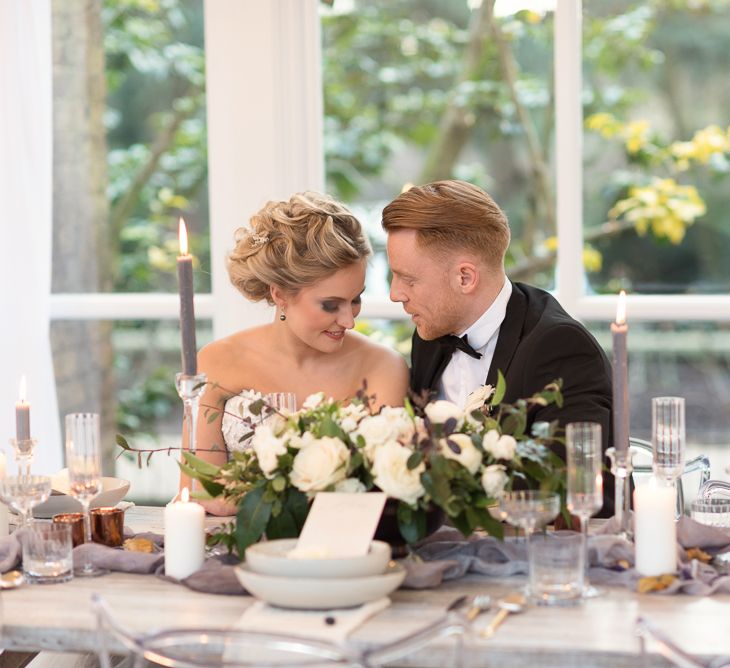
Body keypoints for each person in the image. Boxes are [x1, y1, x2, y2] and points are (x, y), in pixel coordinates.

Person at [382, 180, 614, 515]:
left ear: (465, 278)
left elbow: (568, 494)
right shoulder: (430, 335)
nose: (395, 294)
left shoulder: (561, 348)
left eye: (409, 279)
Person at [187, 192, 409, 515]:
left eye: (356, 299)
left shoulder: (383, 368)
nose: (349, 321)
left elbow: (381, 495)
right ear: (280, 294)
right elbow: (197, 491)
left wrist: (241, 496)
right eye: (330, 305)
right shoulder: (216, 362)